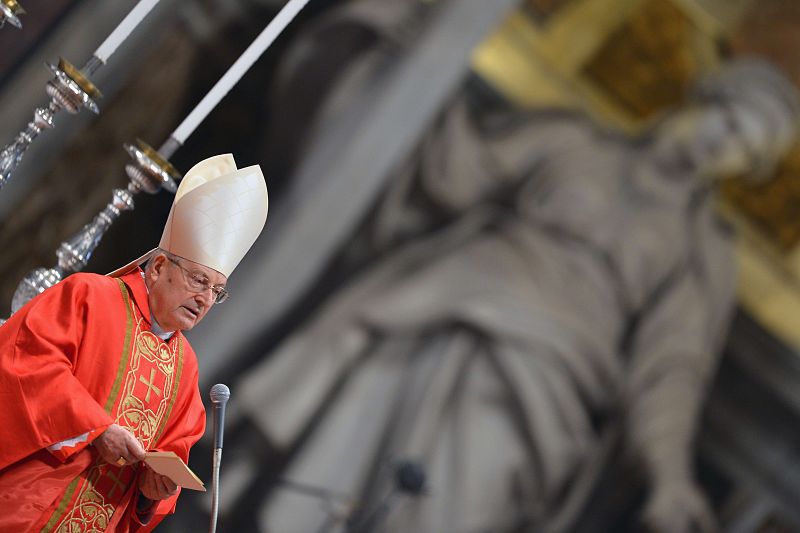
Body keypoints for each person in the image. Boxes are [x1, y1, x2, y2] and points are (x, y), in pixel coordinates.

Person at [228, 2, 800, 532]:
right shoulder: (571, 140)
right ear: (702, 99)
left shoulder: (699, 249)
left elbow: (671, 371)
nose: (717, 149)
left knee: (457, 491)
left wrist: (669, 477)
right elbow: (457, 173)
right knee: (355, 410)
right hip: (439, 303)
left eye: (741, 154)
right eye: (726, 125)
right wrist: (423, 68)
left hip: (547, 374)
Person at [0, 153, 268, 531]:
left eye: (217, 292)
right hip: (21, 508)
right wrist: (96, 429)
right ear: (159, 267)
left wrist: (153, 492)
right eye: (199, 281)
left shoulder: (185, 369)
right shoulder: (90, 296)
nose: (205, 299)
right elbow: (25, 364)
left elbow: (172, 457)